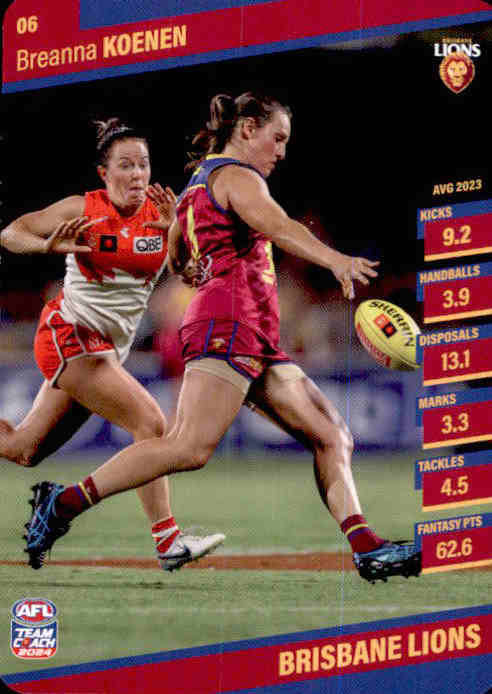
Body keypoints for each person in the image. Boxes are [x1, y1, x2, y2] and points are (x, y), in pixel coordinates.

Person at [21, 94, 420, 583]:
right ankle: (62, 504)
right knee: (188, 447)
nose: (282, 151)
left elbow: (179, 255)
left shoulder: (197, 184)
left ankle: (367, 548)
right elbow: (278, 226)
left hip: (253, 331)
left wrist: (188, 262)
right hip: (228, 325)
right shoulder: (236, 176)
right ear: (247, 129)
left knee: (331, 434)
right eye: (277, 138)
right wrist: (335, 260)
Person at [0, 117, 225, 570]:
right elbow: (10, 233)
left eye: (143, 164)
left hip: (105, 351)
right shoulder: (83, 208)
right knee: (150, 422)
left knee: (23, 449)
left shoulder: (164, 213)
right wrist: (45, 247)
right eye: (126, 165)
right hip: (69, 335)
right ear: (104, 173)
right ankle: (168, 543)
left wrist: (177, 236)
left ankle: (55, 506)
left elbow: (191, 274)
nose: (137, 174)